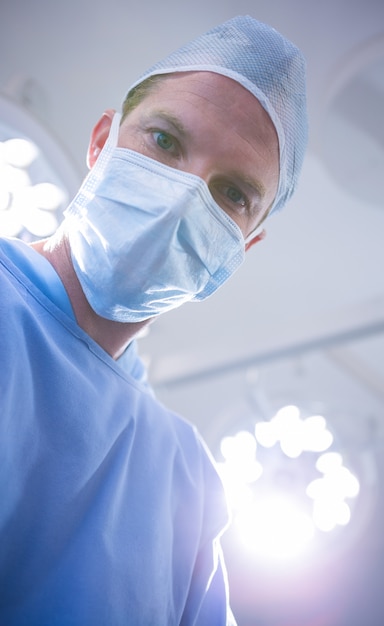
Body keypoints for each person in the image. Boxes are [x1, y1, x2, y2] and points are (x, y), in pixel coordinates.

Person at [0, 15, 307, 626]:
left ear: (240, 249)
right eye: (164, 141)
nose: (182, 197)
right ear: (101, 143)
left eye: (232, 194)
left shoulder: (185, 483)